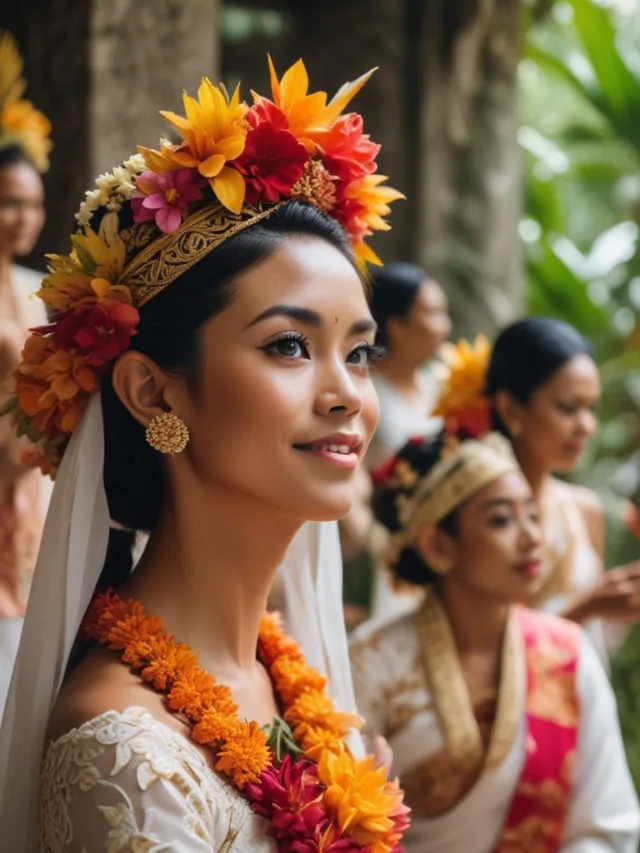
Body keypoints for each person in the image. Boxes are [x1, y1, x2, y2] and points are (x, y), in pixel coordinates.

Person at [0, 58, 410, 852]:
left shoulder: (289, 686)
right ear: (153, 393)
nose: (348, 396)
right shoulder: (125, 759)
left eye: (360, 353)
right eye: (289, 345)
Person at [350, 341, 640, 852]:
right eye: (502, 520)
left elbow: (606, 825)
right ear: (438, 545)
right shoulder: (371, 664)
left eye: (533, 515)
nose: (532, 537)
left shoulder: (569, 655)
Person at [486, 317, 640, 664]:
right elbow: (479, 657)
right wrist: (587, 609)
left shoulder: (586, 510)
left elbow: (596, 647)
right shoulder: (480, 517)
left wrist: (620, 604)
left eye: (591, 408)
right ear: (510, 408)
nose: (586, 425)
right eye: (568, 408)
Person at [345, 262, 451, 623]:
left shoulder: (443, 384)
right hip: (387, 545)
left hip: (443, 540)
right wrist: (371, 542)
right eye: (433, 313)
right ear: (396, 325)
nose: (445, 325)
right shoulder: (364, 391)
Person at [0, 31, 52, 717]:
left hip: (30, 487)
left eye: (34, 204)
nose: (24, 218)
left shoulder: (37, 290)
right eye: (10, 201)